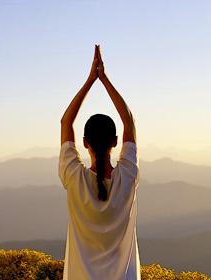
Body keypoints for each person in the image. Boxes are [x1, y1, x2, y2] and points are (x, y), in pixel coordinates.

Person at [58, 44, 141, 280]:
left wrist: (90, 81)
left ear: (85, 143)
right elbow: (129, 122)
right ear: (116, 141)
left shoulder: (73, 177)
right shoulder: (128, 177)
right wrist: (104, 79)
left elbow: (66, 122)